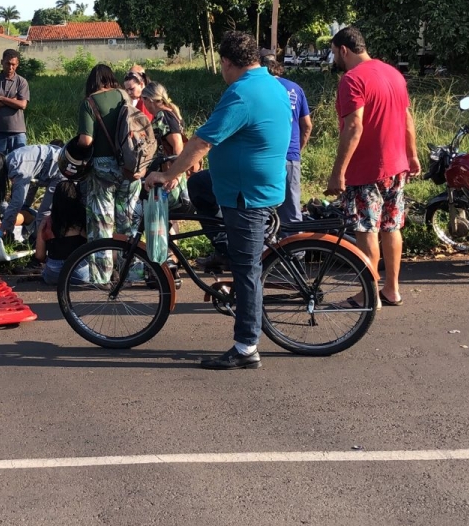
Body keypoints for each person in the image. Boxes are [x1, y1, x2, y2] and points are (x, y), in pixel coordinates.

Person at [144, 31, 290, 370]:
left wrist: (169, 175)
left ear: (226, 62)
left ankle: (246, 347)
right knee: (202, 188)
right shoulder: (271, 84)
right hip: (246, 182)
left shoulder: (242, 93)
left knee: (246, 270)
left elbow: (203, 141)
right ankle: (225, 245)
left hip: (247, 193)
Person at [325, 26, 418, 308]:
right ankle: (392, 290)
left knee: (366, 229)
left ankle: (369, 294)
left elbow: (354, 126)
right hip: (397, 166)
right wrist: (412, 156)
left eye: (333, 53)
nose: (334, 61)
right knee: (391, 227)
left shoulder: (352, 80)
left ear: (343, 50)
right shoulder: (393, 73)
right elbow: (407, 118)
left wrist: (338, 171)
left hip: (367, 169)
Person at [77, 64, 141, 279]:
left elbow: (86, 140)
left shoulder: (90, 102)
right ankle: (132, 273)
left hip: (103, 168)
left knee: (102, 223)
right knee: (128, 220)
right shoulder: (125, 95)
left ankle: (103, 277)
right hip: (130, 165)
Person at [260, 49, 313, 227]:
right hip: (290, 157)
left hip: (265, 158)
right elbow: (307, 125)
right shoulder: (295, 89)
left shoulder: (259, 87)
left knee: (262, 212)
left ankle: (266, 251)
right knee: (291, 211)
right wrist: (296, 151)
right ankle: (296, 252)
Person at [0, 140, 65, 243]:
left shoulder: (17, 169)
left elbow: (17, 202)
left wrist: (2, 229)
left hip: (60, 170)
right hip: (56, 164)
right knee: (33, 212)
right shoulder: (10, 159)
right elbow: (32, 184)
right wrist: (26, 206)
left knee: (43, 214)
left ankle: (41, 247)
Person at [140, 82, 191, 207]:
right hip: (170, 172)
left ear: (150, 100)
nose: (144, 104)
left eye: (143, 100)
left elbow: (178, 145)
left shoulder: (164, 115)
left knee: (163, 215)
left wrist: (175, 176)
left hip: (169, 174)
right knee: (170, 218)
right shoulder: (170, 112)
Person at [34, 180, 90, 285]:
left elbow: (39, 255)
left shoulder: (47, 221)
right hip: (79, 273)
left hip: (53, 275)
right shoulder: (83, 219)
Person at [0, 49, 30, 154]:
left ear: (17, 64)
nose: (10, 67)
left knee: (18, 165)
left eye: (13, 64)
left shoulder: (22, 82)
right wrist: (12, 101)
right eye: (7, 63)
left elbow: (22, 105)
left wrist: (1, 98)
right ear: (2, 62)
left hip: (18, 133)